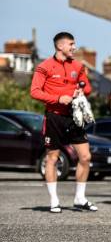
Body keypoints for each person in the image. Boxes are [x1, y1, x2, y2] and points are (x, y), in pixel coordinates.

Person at [30, 32, 97, 213]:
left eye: (74, 44)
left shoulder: (78, 65)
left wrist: (81, 91)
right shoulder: (44, 66)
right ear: (60, 46)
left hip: (75, 117)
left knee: (86, 157)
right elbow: (34, 92)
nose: (74, 47)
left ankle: (80, 198)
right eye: (71, 44)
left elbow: (87, 87)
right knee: (52, 158)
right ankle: (54, 200)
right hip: (54, 117)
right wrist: (58, 98)